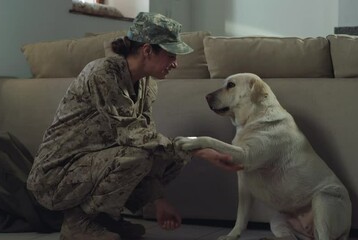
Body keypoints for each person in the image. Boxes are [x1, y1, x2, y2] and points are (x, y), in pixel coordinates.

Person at [26, 12, 242, 240]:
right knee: (143, 154)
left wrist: (159, 200)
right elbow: (132, 134)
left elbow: (146, 139)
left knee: (172, 156)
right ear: (147, 50)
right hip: (55, 177)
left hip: (93, 165)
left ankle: (105, 220)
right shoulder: (102, 73)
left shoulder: (148, 85)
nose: (175, 64)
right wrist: (202, 150)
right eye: (170, 55)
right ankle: (79, 225)